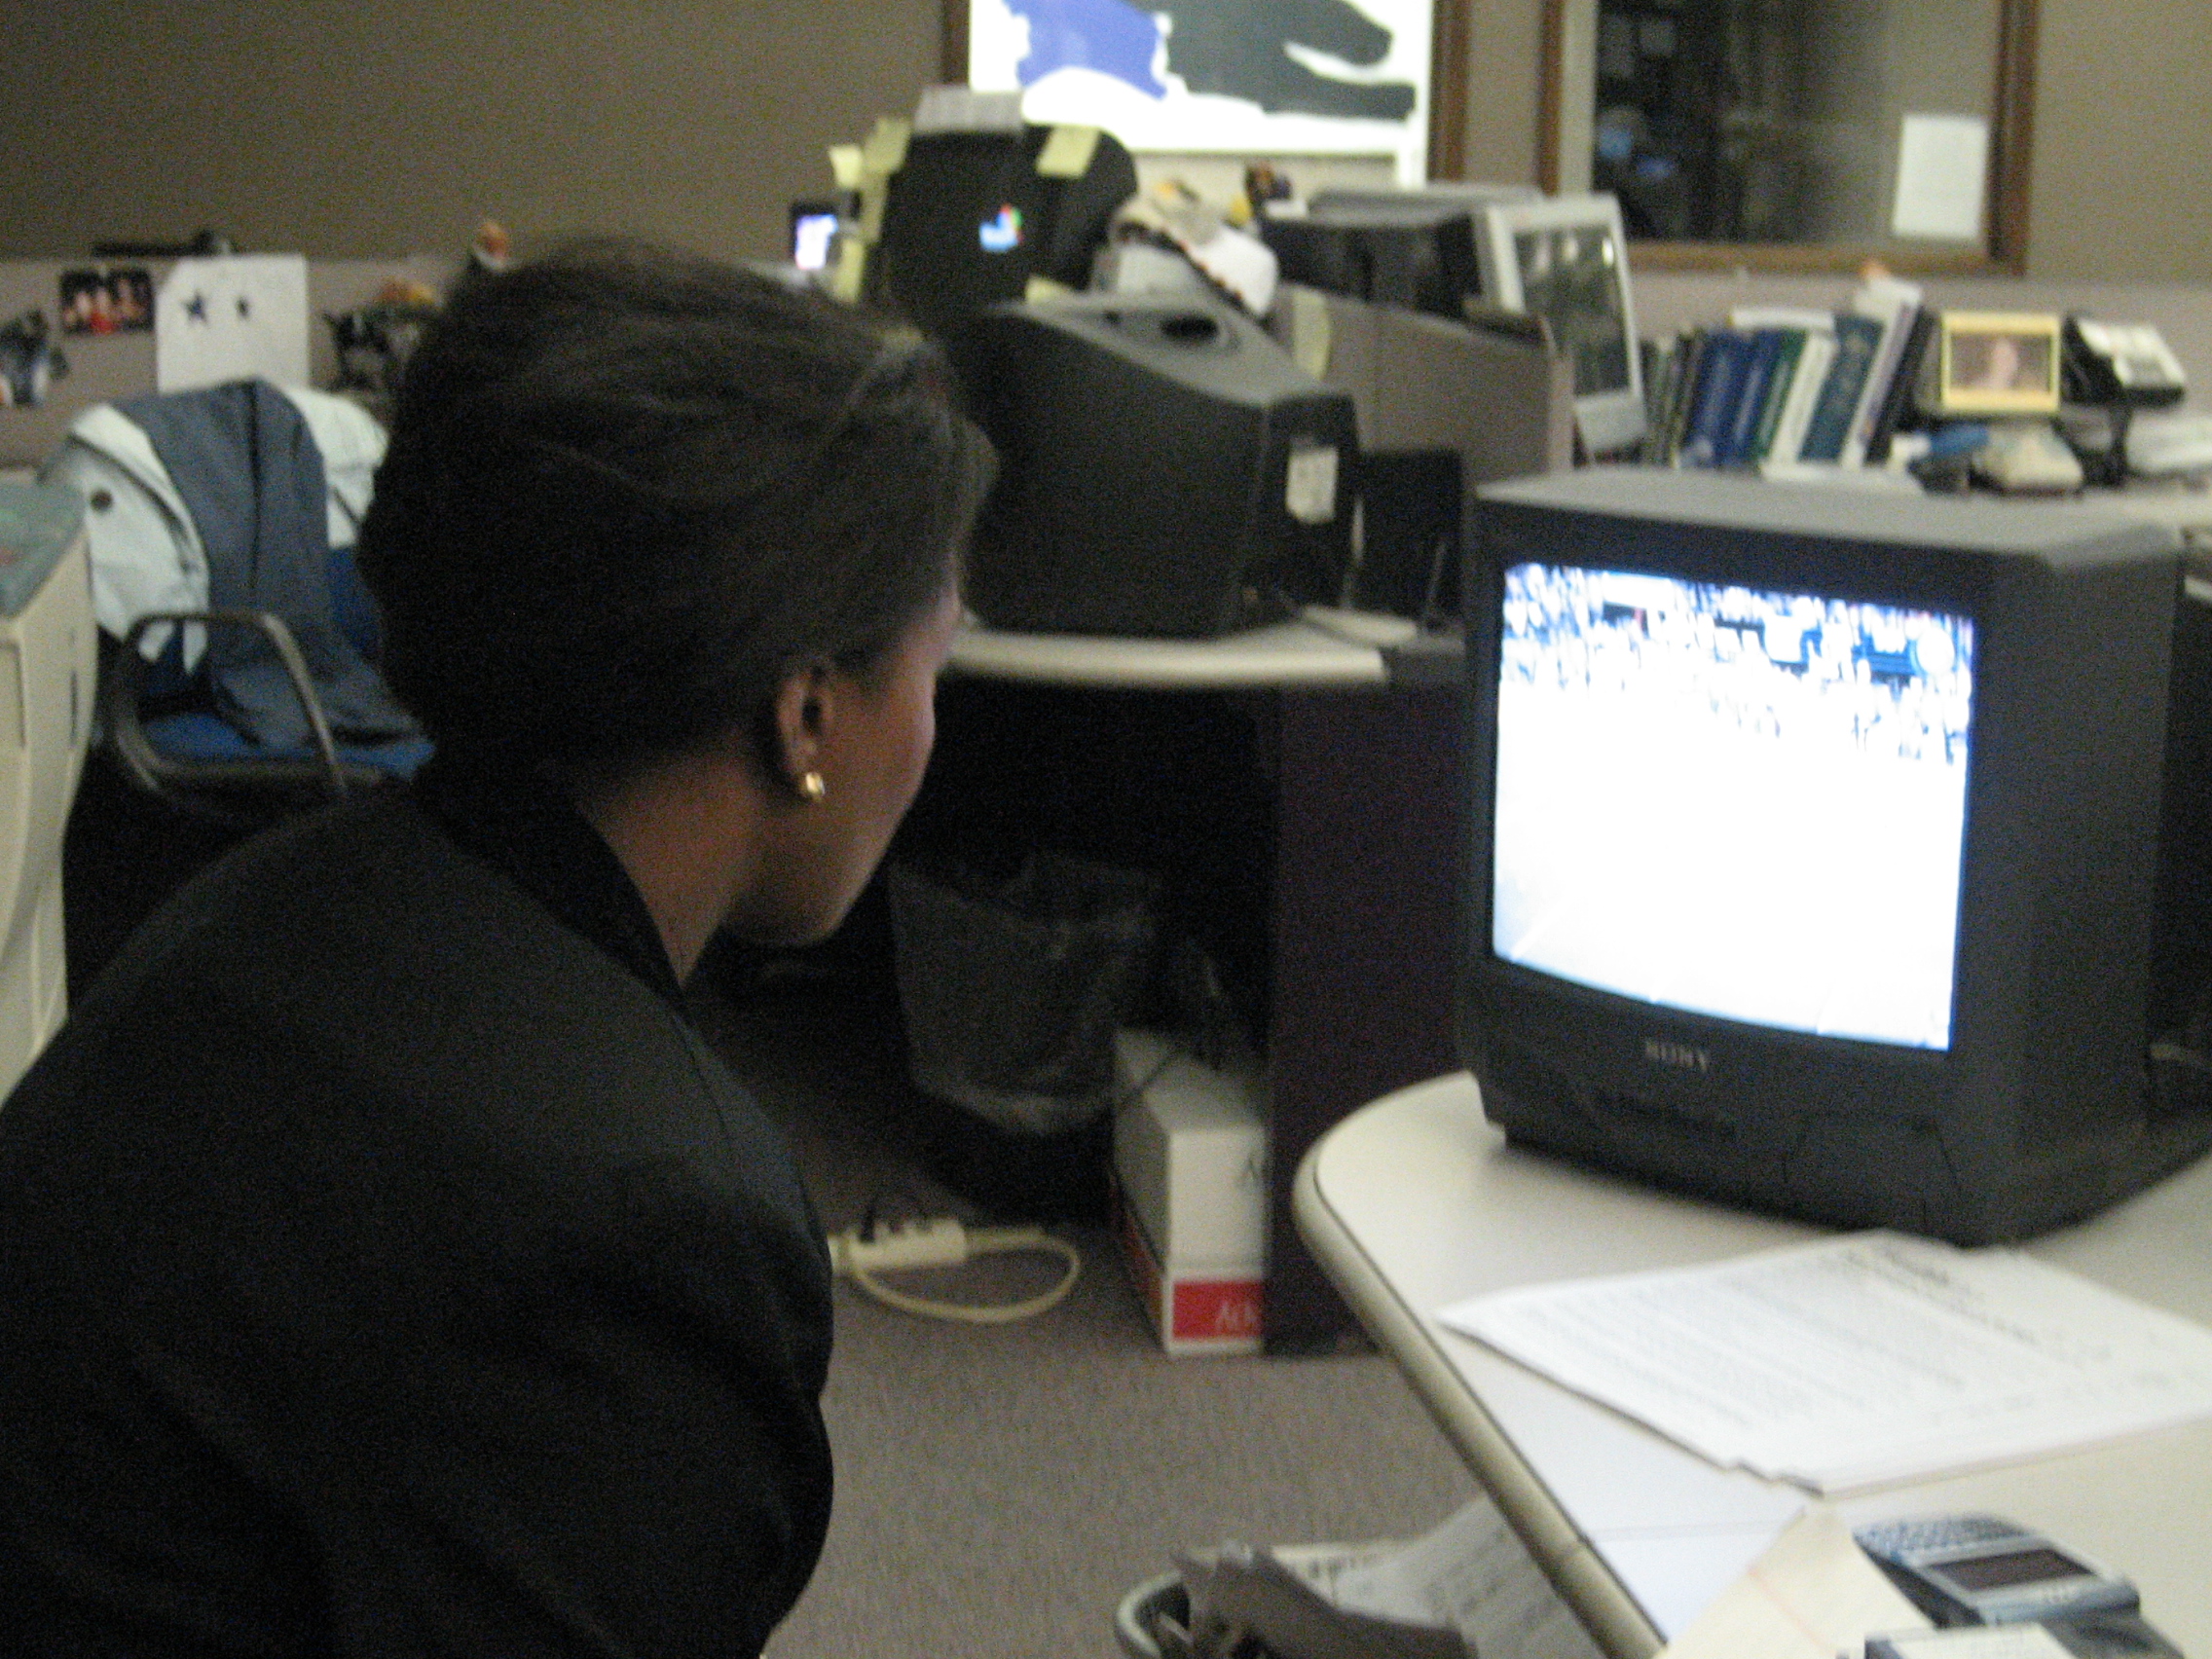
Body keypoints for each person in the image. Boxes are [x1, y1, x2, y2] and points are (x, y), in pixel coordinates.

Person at [0, 240, 994, 1656]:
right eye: (935, 662)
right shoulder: (639, 1218)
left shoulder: (273, 898)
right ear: (807, 716)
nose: (934, 727)